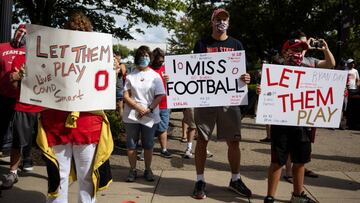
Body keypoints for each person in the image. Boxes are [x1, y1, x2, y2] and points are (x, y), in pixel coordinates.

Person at [37, 11, 113, 203]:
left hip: (83, 122)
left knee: (72, 177)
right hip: (64, 122)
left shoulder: (100, 57)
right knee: (64, 178)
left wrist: (114, 68)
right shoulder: (52, 55)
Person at [263, 30, 335, 203]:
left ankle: (297, 195)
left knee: (300, 161)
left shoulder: (310, 63)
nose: (298, 53)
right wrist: (262, 91)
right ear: (285, 52)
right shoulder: (278, 68)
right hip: (281, 123)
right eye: (294, 49)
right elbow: (269, 91)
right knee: (277, 161)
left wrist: (324, 48)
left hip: (302, 122)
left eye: (301, 49)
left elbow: (331, 64)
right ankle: (270, 197)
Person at [192, 8, 252, 199]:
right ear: (212, 21)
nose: (221, 22)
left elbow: (243, 72)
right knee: (202, 139)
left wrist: (246, 77)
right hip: (206, 100)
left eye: (225, 19)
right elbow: (192, 71)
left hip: (229, 99)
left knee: (233, 140)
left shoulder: (236, 44)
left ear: (229, 22)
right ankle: (200, 180)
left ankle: (235, 179)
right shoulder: (202, 44)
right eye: (218, 19)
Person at [0, 51, 44, 189]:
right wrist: (17, 76)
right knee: (18, 141)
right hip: (25, 105)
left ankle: (59, 173)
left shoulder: (53, 57)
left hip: (48, 107)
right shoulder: (20, 57)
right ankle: (13, 172)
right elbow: (13, 84)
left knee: (52, 144)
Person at [123, 45, 165, 182]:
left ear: (150, 58)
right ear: (137, 58)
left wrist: (149, 109)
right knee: (131, 145)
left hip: (149, 115)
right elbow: (126, 95)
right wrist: (137, 107)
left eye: (146, 56)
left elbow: (160, 95)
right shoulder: (130, 75)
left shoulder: (155, 76)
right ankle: (132, 170)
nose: (144, 58)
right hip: (132, 115)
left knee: (148, 144)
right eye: (141, 56)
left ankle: (148, 169)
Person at [0, 24, 26, 155]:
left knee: (22, 130)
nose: (21, 34)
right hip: (3, 94)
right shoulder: (2, 47)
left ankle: (26, 159)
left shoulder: (30, 51)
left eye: (25, 32)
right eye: (20, 31)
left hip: (22, 97)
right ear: (16, 31)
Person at [149, 47, 172, 158]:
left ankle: (164, 149)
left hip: (164, 104)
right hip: (150, 105)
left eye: (162, 61)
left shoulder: (166, 69)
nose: (161, 63)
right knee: (148, 128)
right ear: (153, 59)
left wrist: (170, 80)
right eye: (159, 60)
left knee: (163, 127)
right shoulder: (147, 70)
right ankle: (146, 150)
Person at [114, 52, 127, 118]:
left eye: (117, 57)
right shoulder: (110, 64)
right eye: (115, 57)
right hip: (111, 89)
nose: (116, 58)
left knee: (120, 106)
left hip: (119, 88)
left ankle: (120, 120)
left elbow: (123, 72)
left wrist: (118, 66)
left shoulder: (122, 65)